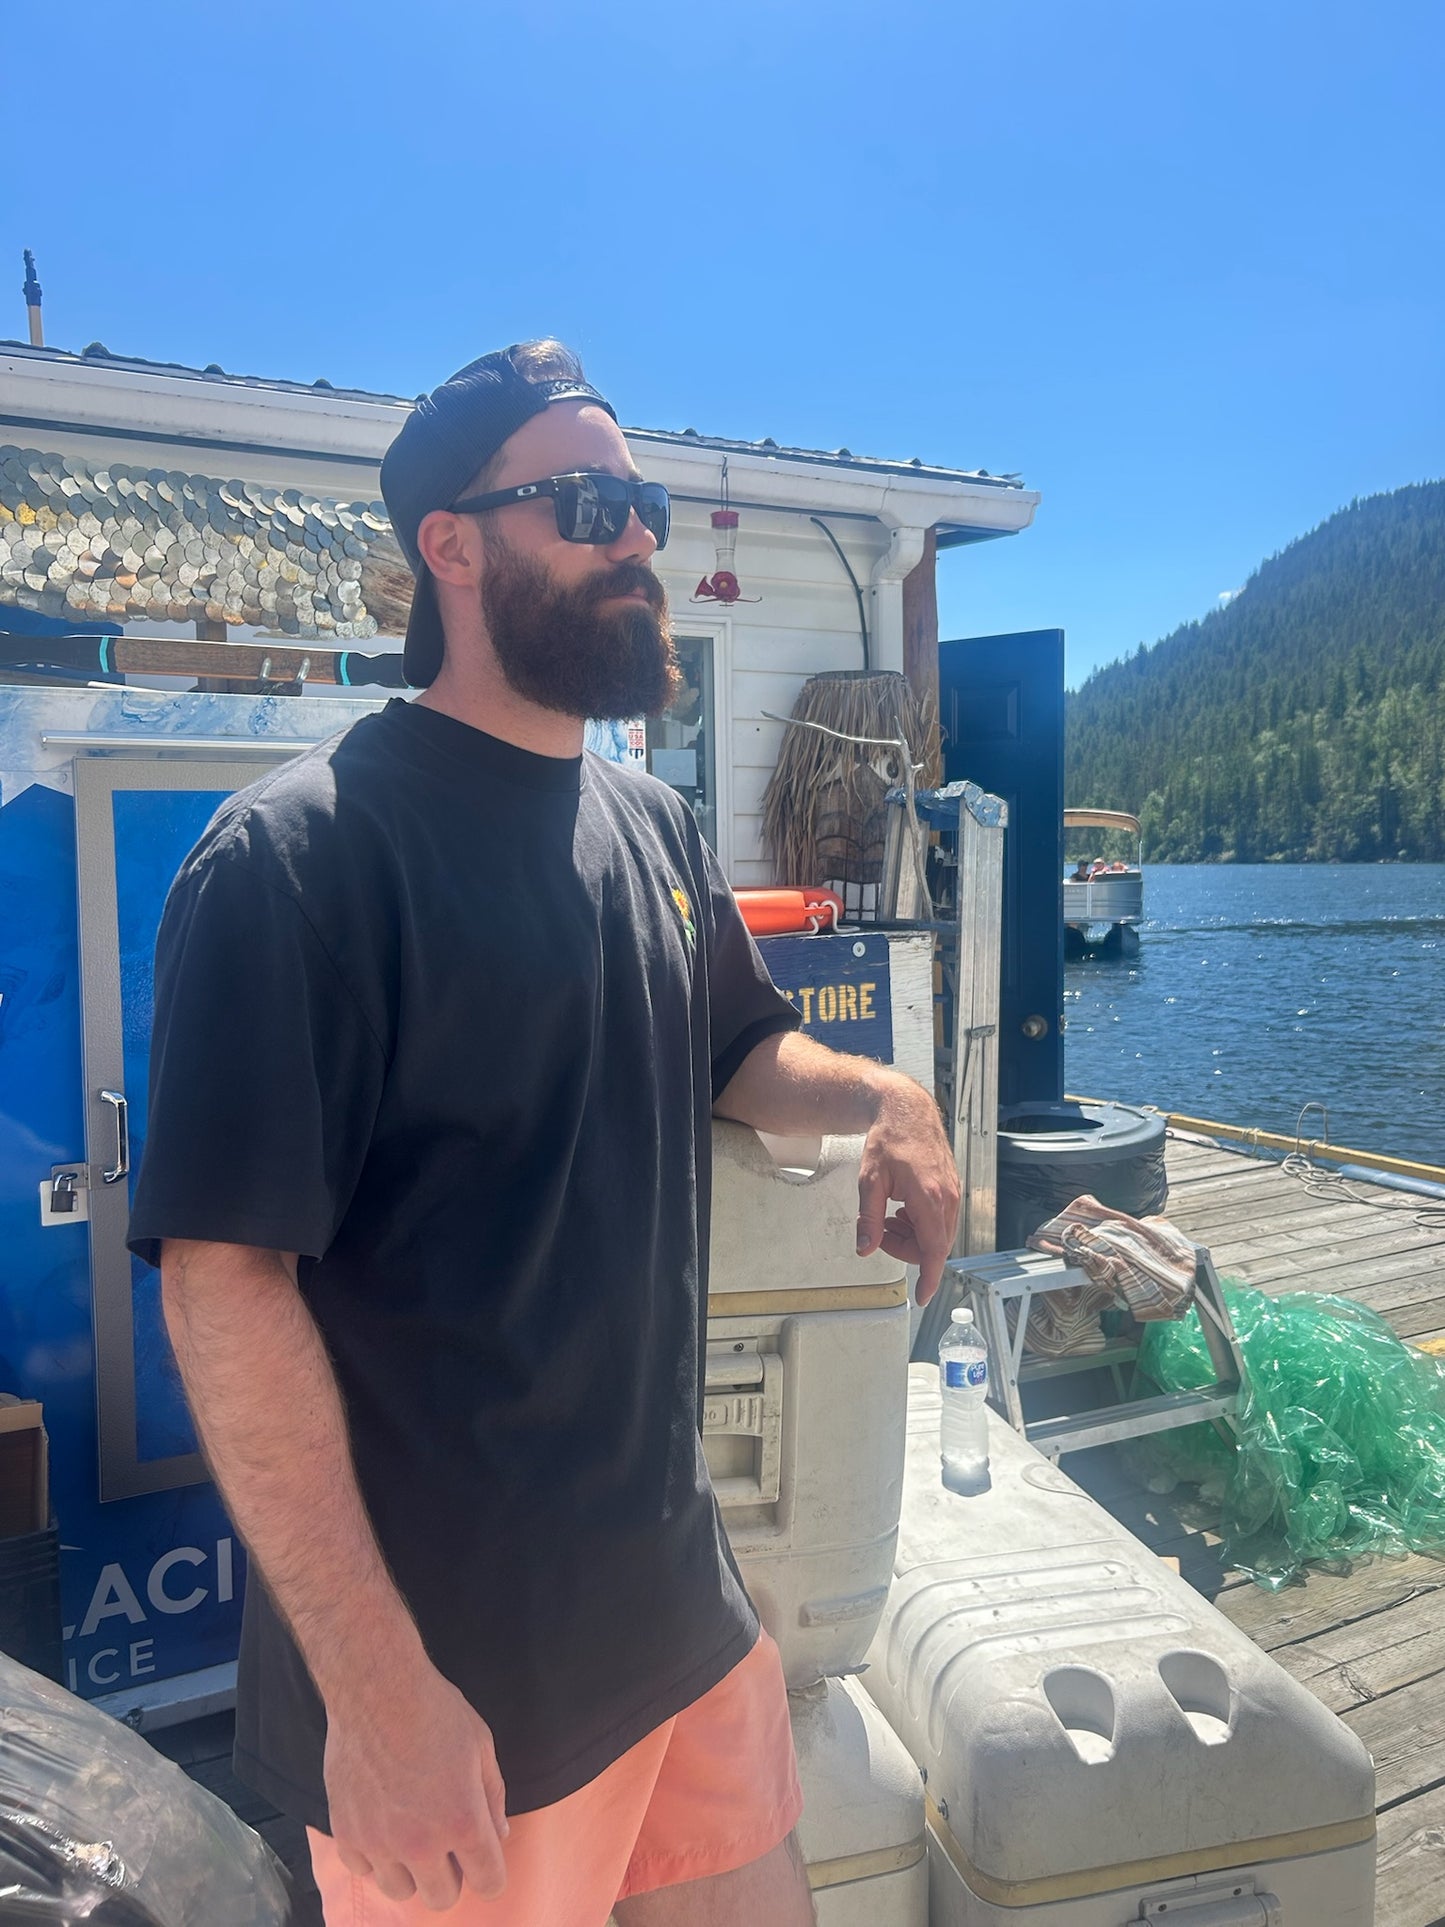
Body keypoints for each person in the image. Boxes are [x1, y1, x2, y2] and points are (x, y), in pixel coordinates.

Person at [128, 341, 960, 1927]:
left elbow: (740, 1049)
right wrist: (378, 1704)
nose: (636, 537)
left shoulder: (644, 824)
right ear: (451, 543)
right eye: (587, 503)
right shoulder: (298, 861)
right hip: (452, 1691)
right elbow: (222, 1288)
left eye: (639, 503)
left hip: (676, 1621)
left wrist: (890, 1100)